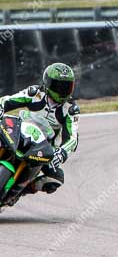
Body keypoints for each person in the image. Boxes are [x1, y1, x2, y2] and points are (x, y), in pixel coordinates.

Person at [0, 63, 79, 205]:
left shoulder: (70, 109)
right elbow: (7, 100)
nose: (64, 90)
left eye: (67, 86)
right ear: (48, 83)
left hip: (43, 148)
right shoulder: (35, 94)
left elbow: (72, 138)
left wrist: (61, 152)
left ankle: (22, 190)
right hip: (21, 133)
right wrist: (1, 107)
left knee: (56, 179)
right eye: (59, 86)